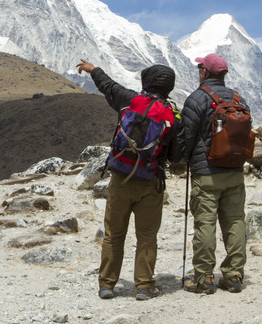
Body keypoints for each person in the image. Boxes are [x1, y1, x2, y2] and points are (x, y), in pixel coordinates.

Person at [76, 59, 184, 301]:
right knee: (146, 236)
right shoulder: (173, 116)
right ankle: (144, 286)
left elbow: (108, 86)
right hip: (150, 182)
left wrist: (93, 70)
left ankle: (106, 285)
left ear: (147, 81)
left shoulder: (131, 101)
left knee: (114, 234)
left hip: (121, 178)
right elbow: (177, 157)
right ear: (169, 86)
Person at [182, 53, 248, 294]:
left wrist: (182, 160)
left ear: (204, 72)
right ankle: (233, 275)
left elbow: (187, 137)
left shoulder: (197, 99)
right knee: (235, 222)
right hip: (235, 173)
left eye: (200, 67)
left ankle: (203, 277)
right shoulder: (239, 99)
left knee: (205, 224)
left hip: (206, 174)